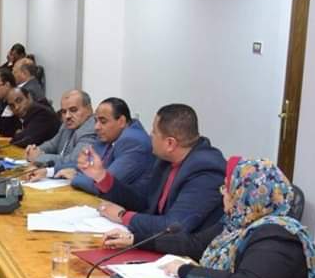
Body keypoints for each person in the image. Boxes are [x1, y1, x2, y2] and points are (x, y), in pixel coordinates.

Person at [141, 158, 315, 278]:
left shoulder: (277, 237)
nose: (223, 194)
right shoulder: (237, 224)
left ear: (244, 194)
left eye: (227, 188)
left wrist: (186, 272)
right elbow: (195, 244)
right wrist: (138, 240)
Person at [83, 103, 225, 241]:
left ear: (170, 143)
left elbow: (174, 226)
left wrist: (123, 216)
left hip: (184, 251)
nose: (150, 135)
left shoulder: (206, 170)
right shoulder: (165, 160)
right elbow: (141, 200)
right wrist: (102, 177)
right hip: (156, 242)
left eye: (154, 132)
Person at [58, 97, 152, 195]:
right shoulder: (110, 135)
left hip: (125, 203)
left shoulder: (133, 142)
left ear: (121, 121)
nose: (96, 127)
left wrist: (75, 176)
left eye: (103, 122)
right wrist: (51, 171)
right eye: (96, 121)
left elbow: (104, 185)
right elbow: (85, 165)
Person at [25, 89, 96, 173]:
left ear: (89, 109)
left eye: (73, 110)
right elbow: (52, 144)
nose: (67, 116)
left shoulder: (91, 129)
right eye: (64, 111)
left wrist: (39, 157)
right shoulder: (67, 125)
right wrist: (36, 150)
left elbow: (74, 160)